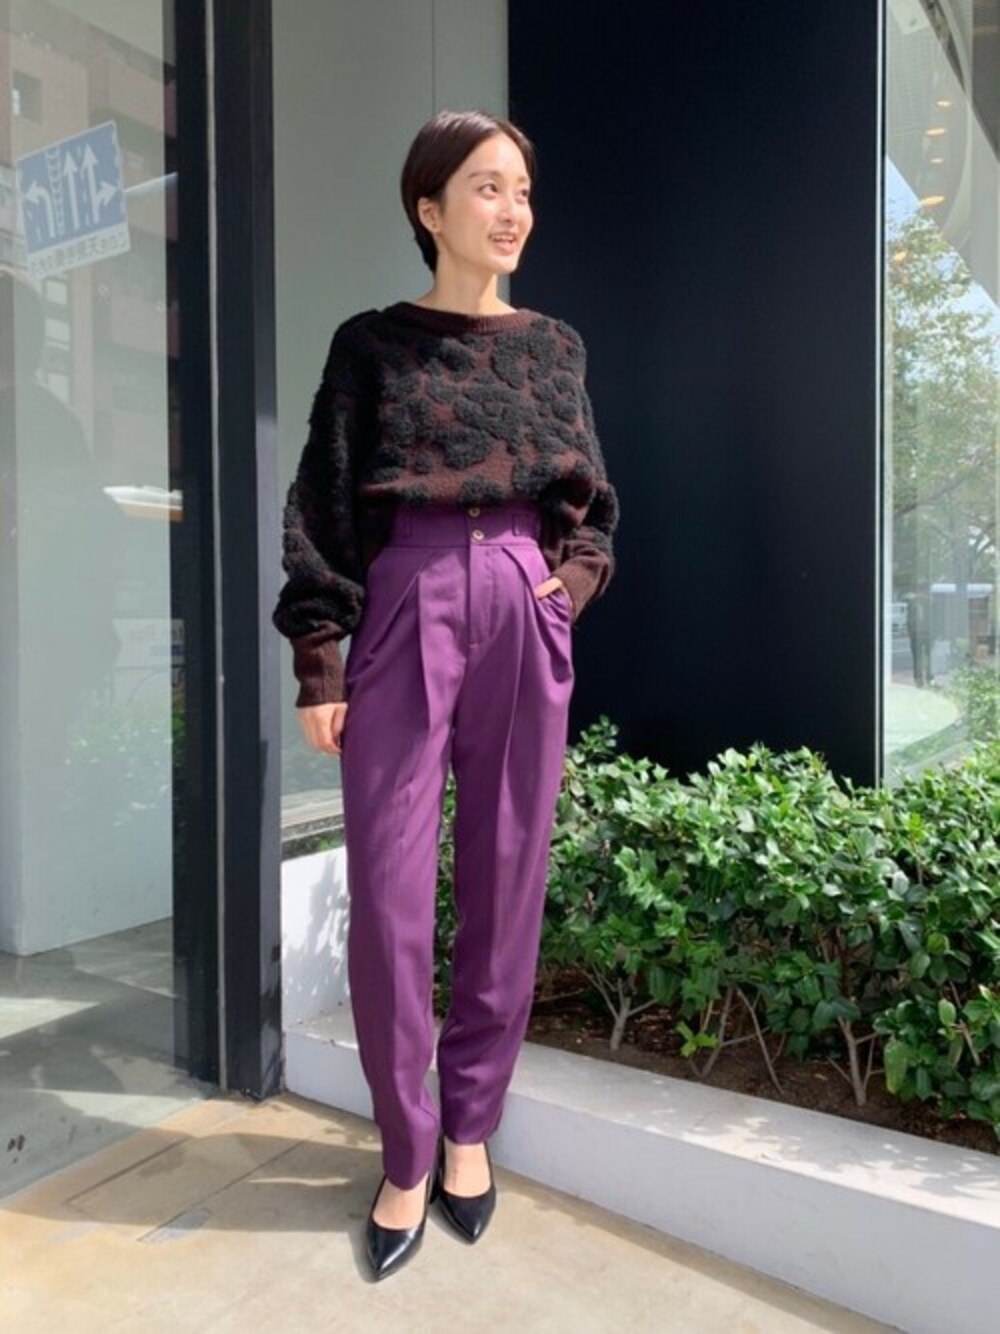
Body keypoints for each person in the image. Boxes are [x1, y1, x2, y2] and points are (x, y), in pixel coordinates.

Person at [272, 108, 620, 1281]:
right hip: (405, 596)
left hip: (521, 598)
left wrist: (563, 591)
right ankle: (405, 1145)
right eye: (485, 186)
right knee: (388, 894)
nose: (511, 209)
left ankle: (470, 1125)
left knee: (507, 875)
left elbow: (593, 505)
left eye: (520, 188)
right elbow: (322, 503)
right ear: (429, 208)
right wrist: (320, 657)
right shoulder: (370, 346)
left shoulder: (555, 348)